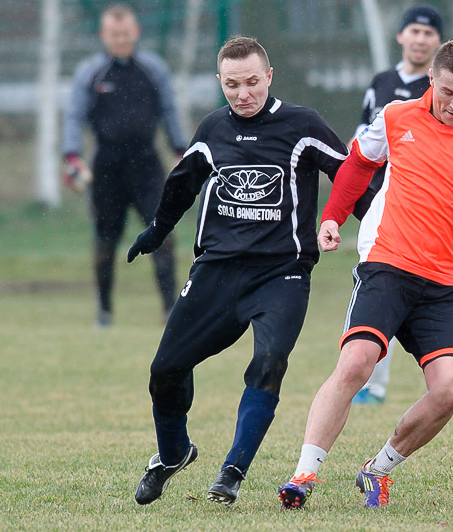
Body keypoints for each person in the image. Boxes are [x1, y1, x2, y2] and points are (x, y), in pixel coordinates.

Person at [279, 39, 453, 509]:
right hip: (387, 267)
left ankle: (377, 469)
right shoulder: (397, 116)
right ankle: (304, 475)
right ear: (432, 80)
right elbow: (359, 162)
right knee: (357, 362)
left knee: (451, 388)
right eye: (448, 92)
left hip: (443, 285)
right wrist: (333, 217)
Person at [127, 36, 348, 507]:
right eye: (232, 85)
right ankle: (172, 455)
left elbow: (350, 175)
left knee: (269, 363)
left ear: (269, 77)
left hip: (282, 273)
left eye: (252, 82)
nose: (243, 93)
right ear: (220, 84)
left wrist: (344, 221)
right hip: (217, 270)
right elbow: (182, 183)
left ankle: (232, 472)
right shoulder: (212, 129)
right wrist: (156, 231)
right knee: (165, 370)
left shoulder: (302, 124)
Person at [352, 5, 453, 406]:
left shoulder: (449, 86)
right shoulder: (382, 84)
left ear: (438, 46)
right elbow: (363, 143)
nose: (420, 39)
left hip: (430, 210)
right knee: (380, 288)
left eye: (428, 33)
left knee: (408, 286)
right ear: (401, 37)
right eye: (414, 31)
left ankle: (374, 387)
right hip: (384, 198)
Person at [62, 4, 186, 327]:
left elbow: (170, 111)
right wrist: (72, 156)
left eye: (125, 33)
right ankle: (104, 311)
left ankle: (170, 310)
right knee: (105, 240)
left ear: (136, 33)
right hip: (106, 167)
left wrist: (181, 150)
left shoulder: (153, 69)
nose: (120, 39)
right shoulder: (91, 73)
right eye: (113, 34)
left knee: (162, 235)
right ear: (104, 36)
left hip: (147, 165)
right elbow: (74, 116)